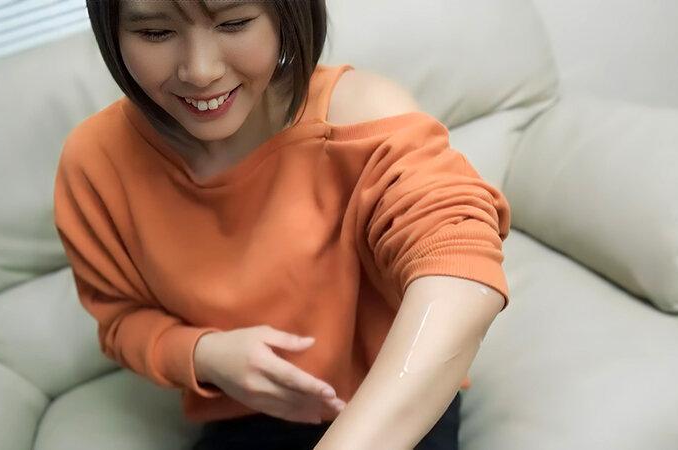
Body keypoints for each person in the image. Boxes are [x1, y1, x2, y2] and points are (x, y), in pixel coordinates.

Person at [54, 1, 512, 449]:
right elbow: (120, 318)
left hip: (393, 398)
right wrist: (204, 354)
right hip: (246, 414)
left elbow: (457, 257)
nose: (200, 71)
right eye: (155, 33)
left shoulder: (362, 116)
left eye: (234, 23)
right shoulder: (95, 163)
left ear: (286, 13)